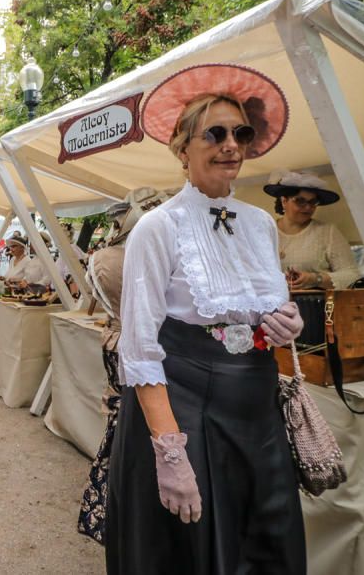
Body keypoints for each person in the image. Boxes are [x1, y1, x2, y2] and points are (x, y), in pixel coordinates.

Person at [106, 63, 305, 574]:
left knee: (265, 543)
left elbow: (267, 309)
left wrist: (285, 325)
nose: (231, 145)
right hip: (186, 402)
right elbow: (140, 348)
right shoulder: (158, 227)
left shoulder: (261, 224)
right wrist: (170, 454)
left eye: (241, 133)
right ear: (182, 147)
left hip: (256, 407)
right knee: (191, 552)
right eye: (215, 133)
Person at [79, 187, 168, 545]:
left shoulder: (112, 258)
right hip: (138, 349)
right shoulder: (118, 258)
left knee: (131, 430)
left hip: (131, 347)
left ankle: (130, 507)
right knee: (134, 428)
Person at [264, 170, 360, 289]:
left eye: (313, 202)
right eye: (300, 201)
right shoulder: (265, 232)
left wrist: (315, 279)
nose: (308, 207)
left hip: (316, 305)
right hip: (271, 305)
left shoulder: (327, 232)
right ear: (284, 201)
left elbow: (351, 275)